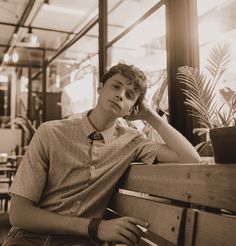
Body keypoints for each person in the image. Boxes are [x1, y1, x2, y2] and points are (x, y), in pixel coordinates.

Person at [3, 63, 200, 246]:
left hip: (79, 241)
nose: (120, 95)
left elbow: (190, 159)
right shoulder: (50, 132)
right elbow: (19, 214)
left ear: (132, 108)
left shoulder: (132, 141)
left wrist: (150, 116)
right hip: (29, 238)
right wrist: (95, 227)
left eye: (130, 95)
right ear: (100, 88)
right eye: (115, 86)